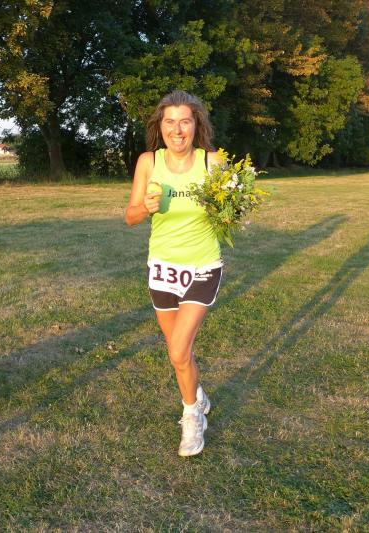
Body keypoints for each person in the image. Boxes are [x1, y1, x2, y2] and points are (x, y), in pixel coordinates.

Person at [124, 90, 222, 456]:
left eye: (185, 122)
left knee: (179, 350)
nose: (177, 130)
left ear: (197, 125)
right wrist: (146, 208)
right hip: (162, 268)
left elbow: (232, 213)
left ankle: (192, 416)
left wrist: (231, 208)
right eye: (170, 122)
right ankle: (197, 394)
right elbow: (130, 216)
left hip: (202, 266)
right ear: (160, 126)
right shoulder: (149, 162)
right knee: (178, 354)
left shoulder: (213, 162)